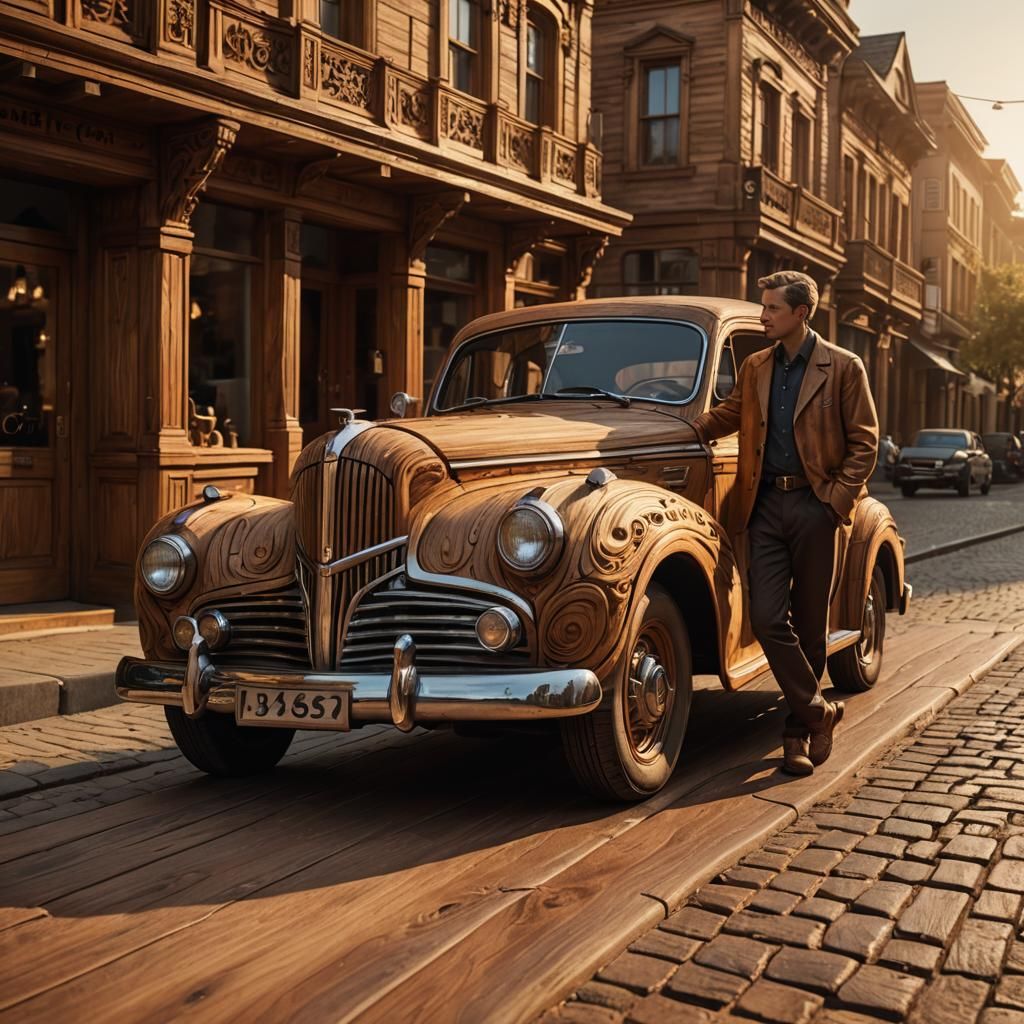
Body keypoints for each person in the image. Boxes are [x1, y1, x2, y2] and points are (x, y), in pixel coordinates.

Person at [680, 271, 879, 775]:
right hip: (764, 506)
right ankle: (819, 712)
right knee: (767, 616)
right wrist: (689, 428)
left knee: (811, 626)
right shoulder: (756, 365)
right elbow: (731, 412)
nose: (763, 315)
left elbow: (865, 443)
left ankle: (795, 735)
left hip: (817, 507)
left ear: (800, 313)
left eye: (771, 308)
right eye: (764, 306)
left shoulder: (843, 367)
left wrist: (834, 502)